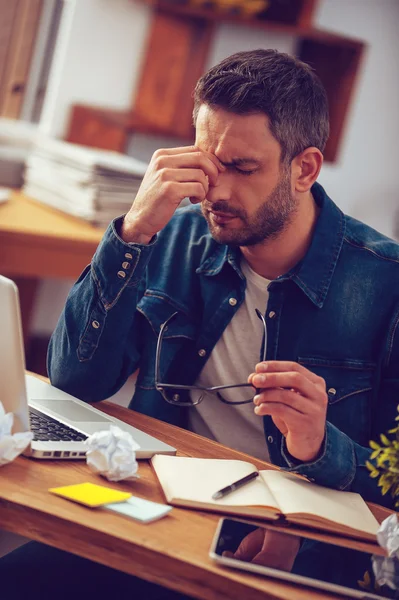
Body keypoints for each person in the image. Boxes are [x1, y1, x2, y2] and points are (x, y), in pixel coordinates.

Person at [2, 48, 399, 598]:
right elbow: (75, 379)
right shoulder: (172, 233)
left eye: (242, 168)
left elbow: (393, 485)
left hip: (288, 544)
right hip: (152, 506)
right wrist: (134, 230)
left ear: (304, 168)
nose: (216, 190)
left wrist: (317, 447)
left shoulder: (386, 285)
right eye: (209, 162)